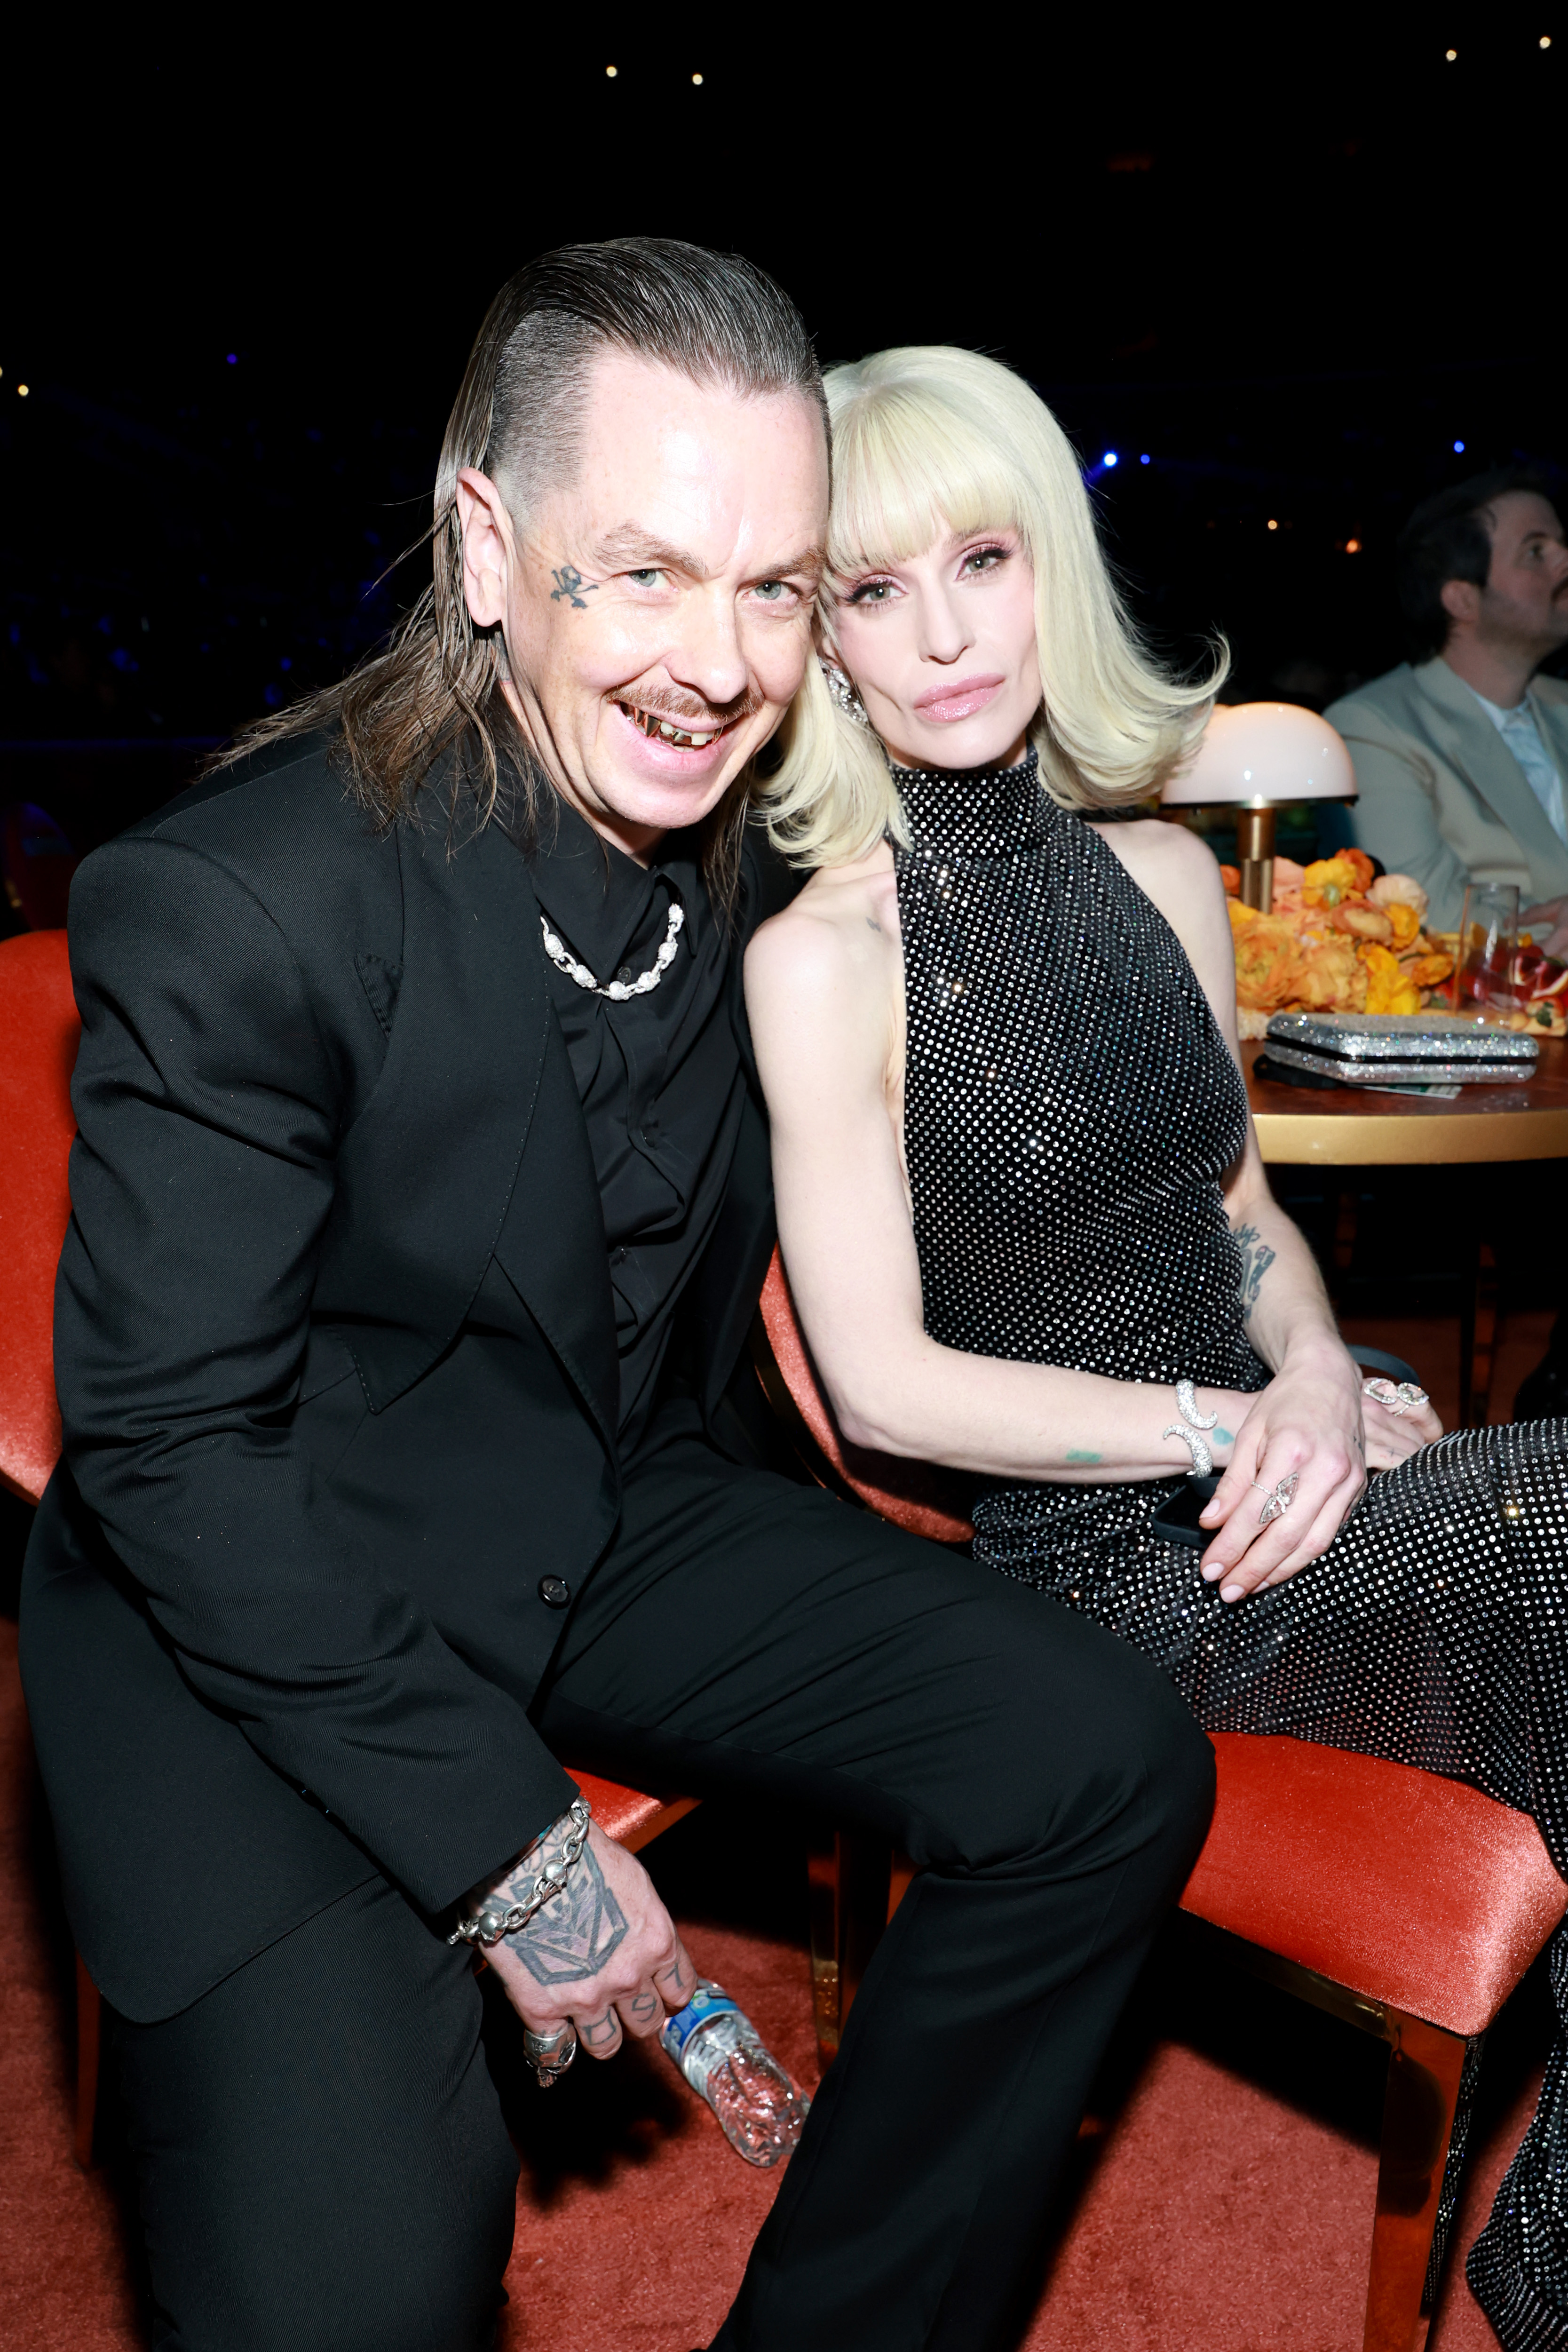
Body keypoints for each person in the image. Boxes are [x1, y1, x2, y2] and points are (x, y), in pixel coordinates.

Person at [18, 247, 1215, 2352]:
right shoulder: (245, 897)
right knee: (373, 2286)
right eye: (643, 573)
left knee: (1099, 1755)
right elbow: (172, 1454)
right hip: (266, 1605)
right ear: (487, 545)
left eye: (772, 590)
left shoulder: (761, 837)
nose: (715, 663)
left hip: (598, 1507)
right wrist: (514, 1844)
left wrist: (1278, 1354)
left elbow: (1078, 923)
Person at [745, 342, 1568, 2351]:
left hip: (1294, 1479)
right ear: (822, 639)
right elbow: (881, 1385)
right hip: (1127, 1577)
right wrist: (1224, 1420)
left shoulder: (1169, 876)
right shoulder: (821, 957)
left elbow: (1241, 1212)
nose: (942, 632)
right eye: (872, 587)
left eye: (983, 558)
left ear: (1056, 570)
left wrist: (1305, 1369)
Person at [1325, 469, 1568, 942]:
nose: (1564, 560)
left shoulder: (1562, 706)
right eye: (1535, 551)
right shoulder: (1376, 727)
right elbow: (1422, 909)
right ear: (1461, 599)